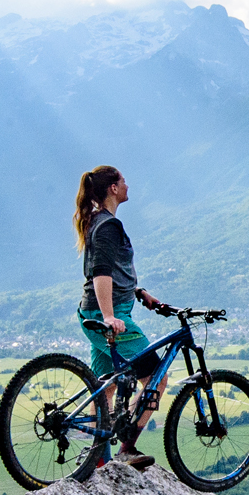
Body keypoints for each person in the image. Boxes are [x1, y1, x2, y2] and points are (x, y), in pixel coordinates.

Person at [72, 165, 173, 476]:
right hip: (107, 314)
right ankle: (126, 449)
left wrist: (139, 291)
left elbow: (112, 272)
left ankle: (97, 459)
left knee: (104, 388)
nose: (128, 184)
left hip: (95, 311)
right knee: (157, 377)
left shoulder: (100, 222)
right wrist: (110, 317)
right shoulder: (108, 225)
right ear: (113, 189)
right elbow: (101, 273)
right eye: (123, 181)